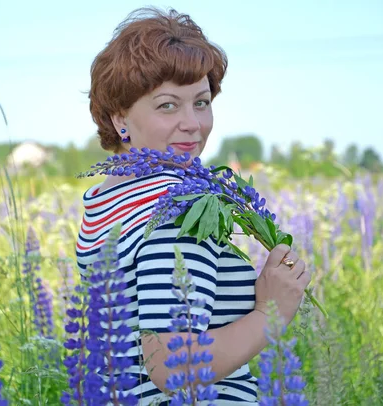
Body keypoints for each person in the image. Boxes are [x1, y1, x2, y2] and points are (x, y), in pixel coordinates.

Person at [76, 7, 311, 405]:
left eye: (201, 103)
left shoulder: (103, 198)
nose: (193, 124)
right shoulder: (180, 204)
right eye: (168, 105)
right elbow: (172, 366)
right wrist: (271, 313)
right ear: (121, 119)